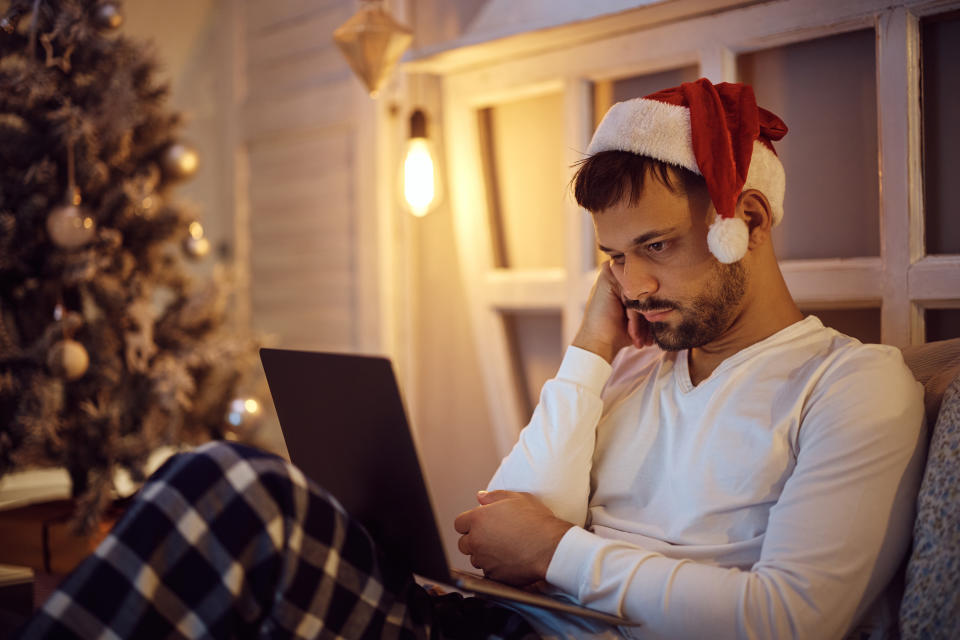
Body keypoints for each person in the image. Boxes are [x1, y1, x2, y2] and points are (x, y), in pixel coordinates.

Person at [17, 79, 924, 640]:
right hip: (488, 623)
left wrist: (559, 551)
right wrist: (589, 351)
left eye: (656, 247)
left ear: (745, 226)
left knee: (239, 499)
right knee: (223, 488)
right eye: (612, 257)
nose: (633, 282)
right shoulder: (636, 365)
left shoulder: (852, 385)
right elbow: (503, 527)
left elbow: (789, 622)